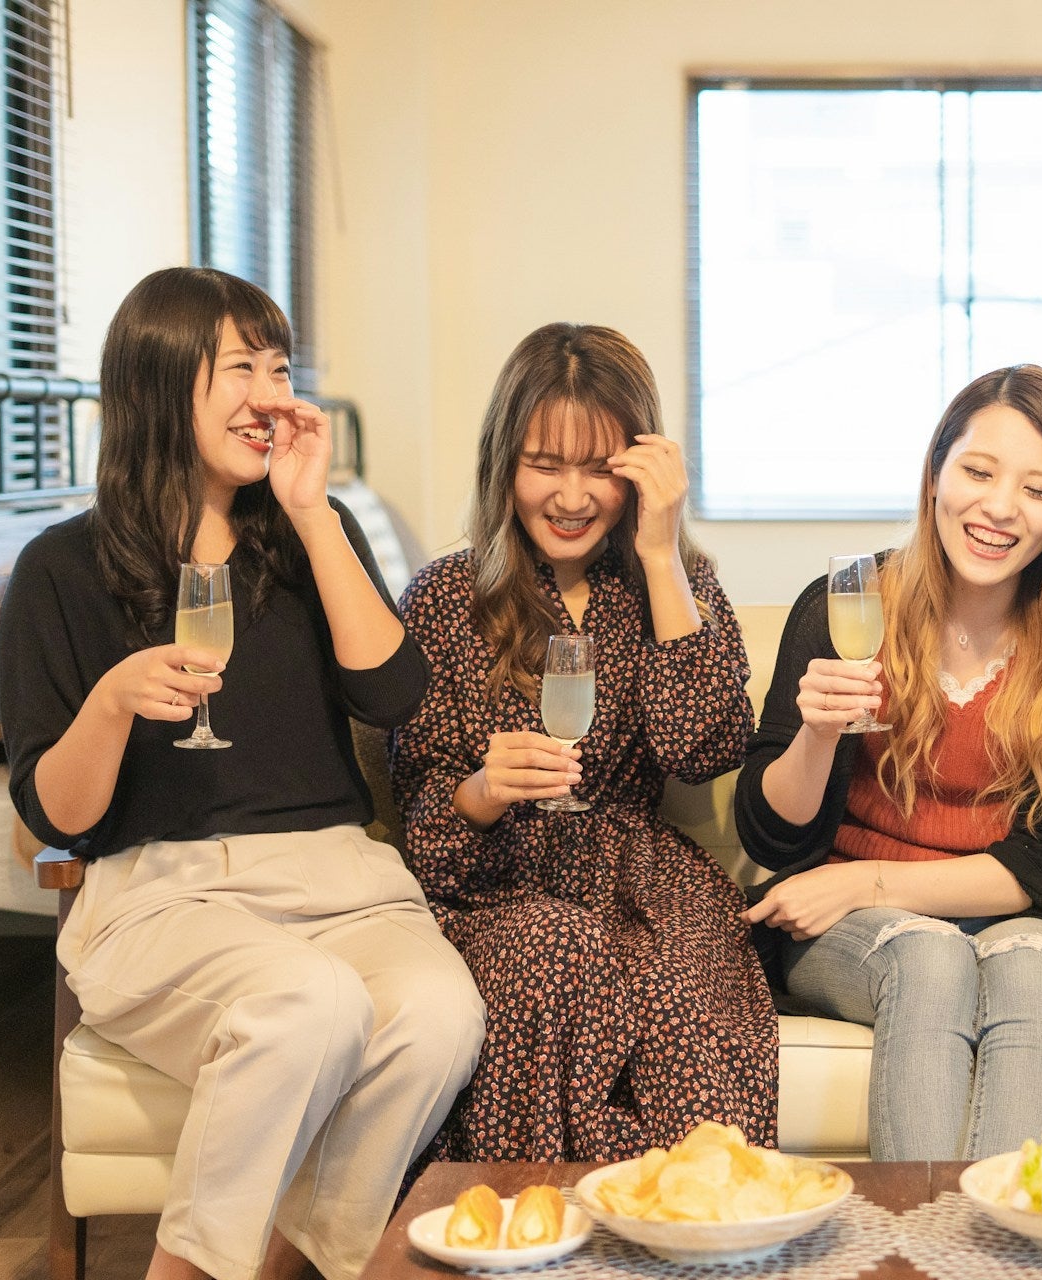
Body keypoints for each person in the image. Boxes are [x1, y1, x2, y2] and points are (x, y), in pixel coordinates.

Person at [0, 267, 485, 1280]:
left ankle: (281, 1268)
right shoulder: (60, 568)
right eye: (241, 369)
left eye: (281, 368)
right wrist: (113, 701)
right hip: (164, 895)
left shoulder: (311, 534)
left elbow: (393, 696)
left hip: (340, 881)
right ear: (158, 380)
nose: (270, 396)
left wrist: (311, 512)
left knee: (443, 1014)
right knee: (309, 1000)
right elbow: (56, 815)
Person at [389, 322, 776, 1163]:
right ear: (505, 466)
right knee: (551, 949)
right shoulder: (445, 597)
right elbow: (423, 832)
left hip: (638, 888)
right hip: (497, 893)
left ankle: (688, 1218)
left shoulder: (675, 582)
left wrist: (663, 552)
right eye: (544, 465)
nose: (572, 497)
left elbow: (703, 746)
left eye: (599, 468)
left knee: (677, 994)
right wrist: (482, 792)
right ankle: (534, 1214)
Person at [736, 364, 1042, 1161]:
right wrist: (817, 736)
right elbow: (773, 840)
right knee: (929, 956)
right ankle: (919, 1229)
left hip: (1019, 917)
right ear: (935, 476)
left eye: (1037, 489)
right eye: (978, 472)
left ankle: (1001, 1233)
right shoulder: (845, 607)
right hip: (856, 931)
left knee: (1031, 971)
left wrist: (868, 881)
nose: (1000, 507)